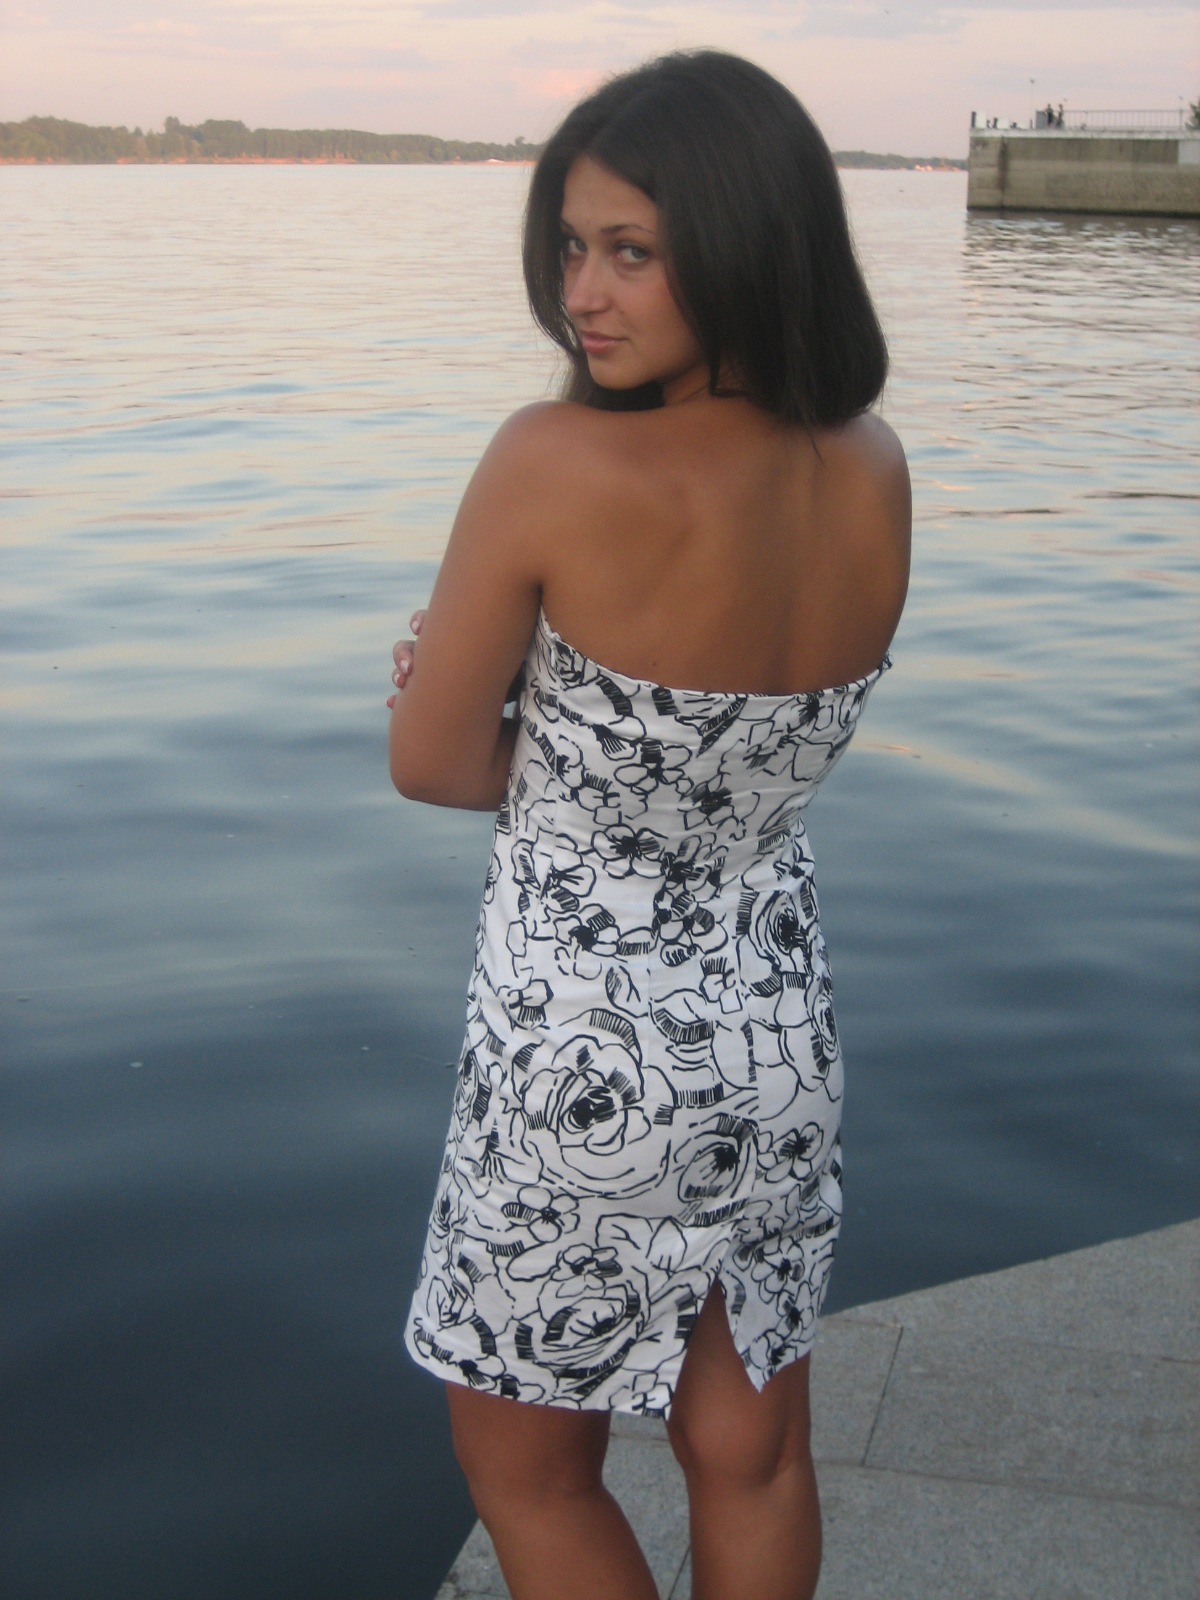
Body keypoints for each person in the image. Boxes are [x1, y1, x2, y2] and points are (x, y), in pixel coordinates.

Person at [387, 50, 910, 1600]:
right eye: (570, 246)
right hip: (776, 1029)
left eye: (631, 250)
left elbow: (434, 764)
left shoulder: (554, 461)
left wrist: (484, 702)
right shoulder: (871, 465)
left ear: (746, 239)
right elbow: (725, 762)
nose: (581, 295)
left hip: (586, 1053)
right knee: (751, 1450)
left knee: (528, 1473)